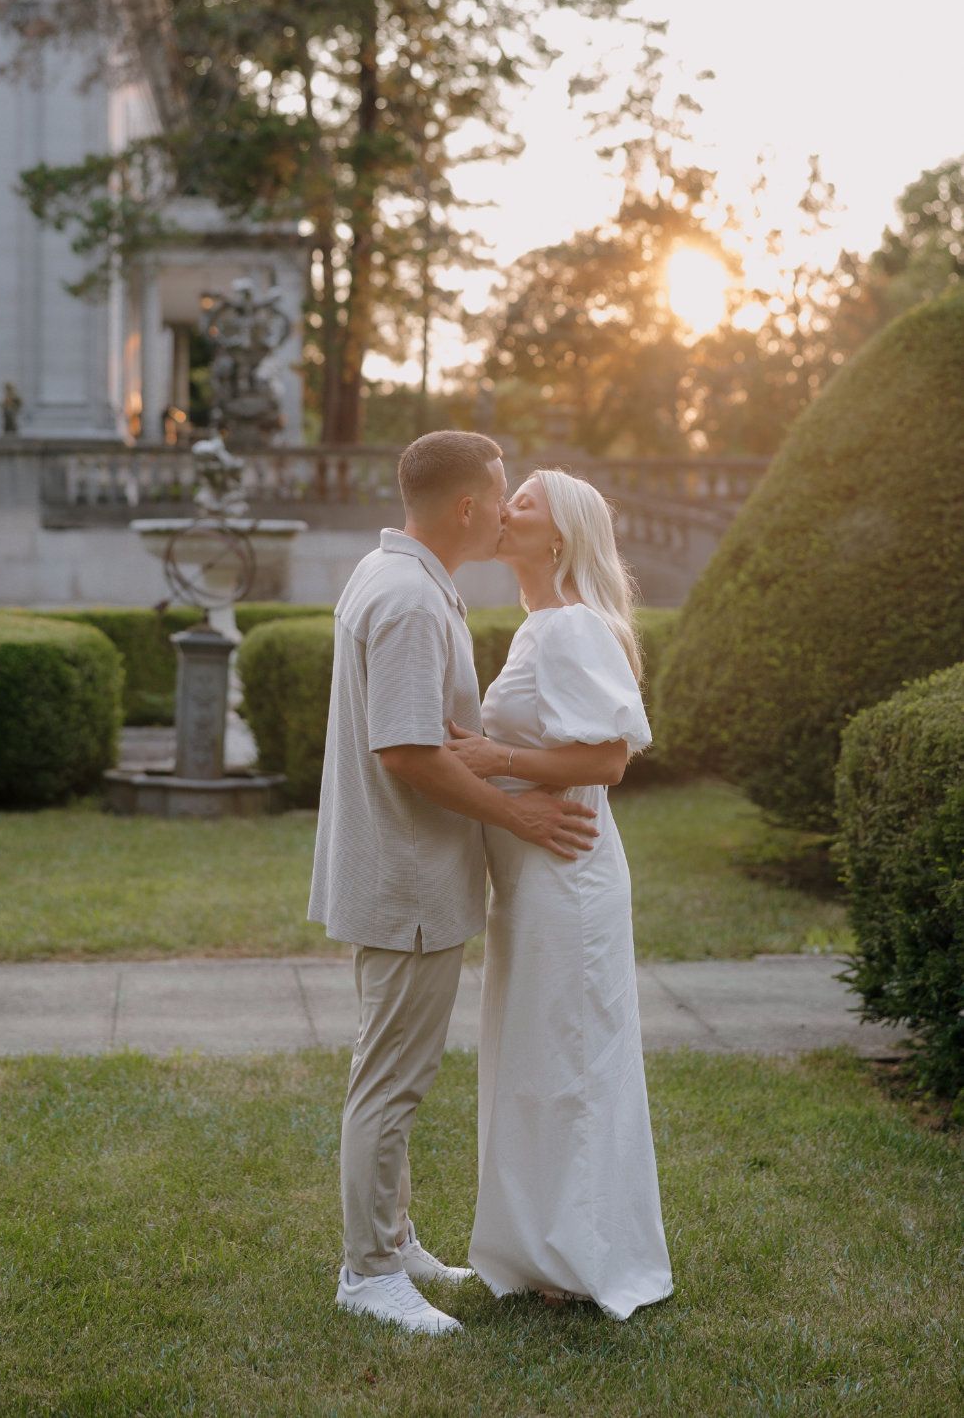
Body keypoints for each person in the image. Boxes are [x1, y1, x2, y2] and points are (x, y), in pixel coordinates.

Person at [308, 432, 600, 1337]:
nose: (509, 506)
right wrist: (517, 815)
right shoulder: (407, 599)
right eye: (502, 493)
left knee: (390, 1070)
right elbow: (404, 753)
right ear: (466, 507)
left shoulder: (396, 578)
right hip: (406, 881)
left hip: (403, 874)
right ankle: (368, 1274)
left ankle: (391, 1243)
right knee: (390, 1083)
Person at [444, 468, 673, 1318]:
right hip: (536, 875)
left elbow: (607, 760)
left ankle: (576, 1257)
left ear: (558, 539)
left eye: (523, 502)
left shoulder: (571, 626)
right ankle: (539, 1247)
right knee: (538, 1057)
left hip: (566, 874)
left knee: (568, 1060)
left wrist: (494, 761)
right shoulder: (543, 627)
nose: (503, 509)